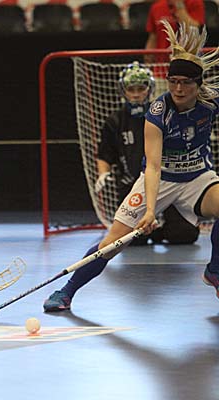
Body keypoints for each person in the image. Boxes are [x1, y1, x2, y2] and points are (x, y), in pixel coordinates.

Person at [44, 21, 219, 313]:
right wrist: (150, 210)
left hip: (197, 178)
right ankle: (66, 291)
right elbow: (153, 167)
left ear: (198, 84)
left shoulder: (210, 104)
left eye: (186, 82)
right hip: (160, 179)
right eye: (173, 81)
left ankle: (214, 271)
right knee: (112, 243)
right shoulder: (159, 113)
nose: (178, 88)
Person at [95, 61, 200, 245]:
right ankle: (148, 232)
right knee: (133, 240)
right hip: (133, 185)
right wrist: (103, 174)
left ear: (150, 89)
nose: (136, 94)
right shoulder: (115, 121)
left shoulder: (164, 114)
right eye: (131, 89)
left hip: (167, 181)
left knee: (185, 234)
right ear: (123, 91)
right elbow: (105, 154)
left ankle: (160, 231)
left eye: (141, 88)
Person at [144, 0, 204, 67]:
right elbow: (153, 37)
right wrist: (147, 60)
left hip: (187, 62)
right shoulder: (157, 6)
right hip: (162, 63)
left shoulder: (195, 2)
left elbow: (192, 31)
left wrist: (179, 6)